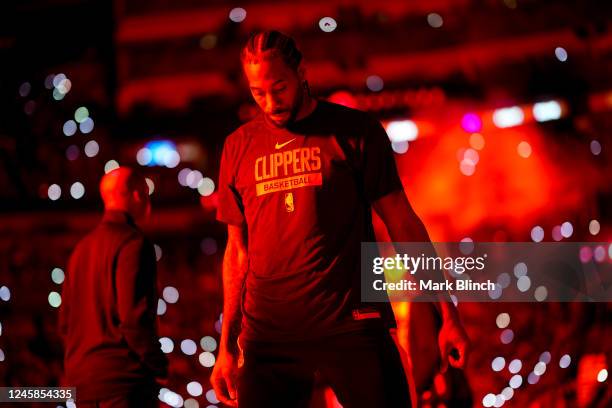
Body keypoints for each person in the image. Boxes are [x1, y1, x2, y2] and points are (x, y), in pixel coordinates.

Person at [211, 30, 470, 408]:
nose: (270, 102)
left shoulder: (357, 132)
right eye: (257, 92)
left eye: (279, 87)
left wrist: (446, 313)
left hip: (351, 322)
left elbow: (403, 225)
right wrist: (226, 348)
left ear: (301, 72)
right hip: (269, 334)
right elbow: (236, 253)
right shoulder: (237, 147)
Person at [59, 167, 167, 407]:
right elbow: (134, 319)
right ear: (138, 195)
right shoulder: (134, 244)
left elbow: (65, 322)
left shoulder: (80, 249)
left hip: (83, 382)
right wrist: (158, 363)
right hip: (124, 383)